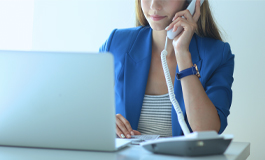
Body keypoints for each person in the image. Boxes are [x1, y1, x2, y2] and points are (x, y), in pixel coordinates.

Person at [99, 0, 234, 139]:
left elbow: (207, 131)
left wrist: (182, 54)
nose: (154, 5)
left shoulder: (218, 55)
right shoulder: (115, 44)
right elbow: (83, 108)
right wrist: (102, 120)